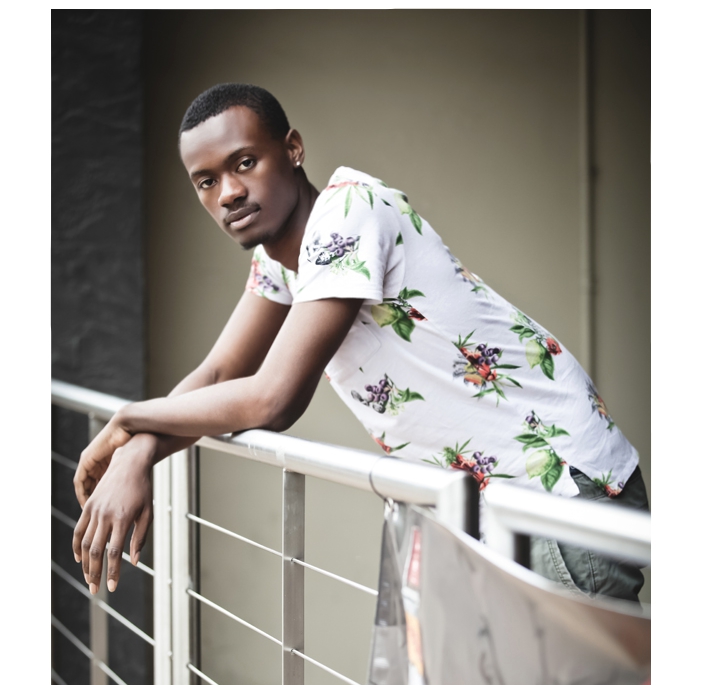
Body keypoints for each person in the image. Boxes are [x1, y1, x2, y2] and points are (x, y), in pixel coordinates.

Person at [71, 83, 649, 602]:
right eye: (206, 181)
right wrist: (138, 450)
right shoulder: (280, 264)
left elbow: (274, 399)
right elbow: (221, 374)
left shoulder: (348, 210)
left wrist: (129, 419)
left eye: (244, 162)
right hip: (496, 509)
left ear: (292, 149)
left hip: (563, 498)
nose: (228, 193)